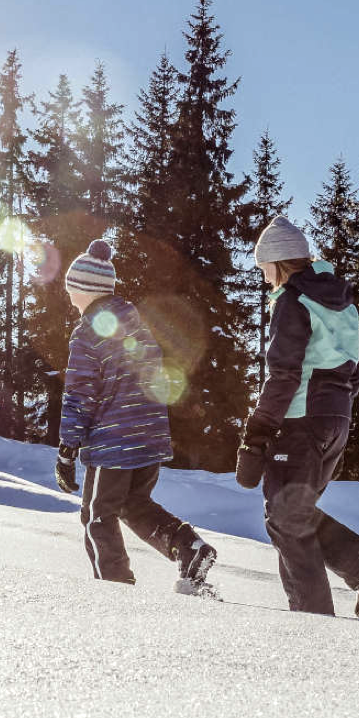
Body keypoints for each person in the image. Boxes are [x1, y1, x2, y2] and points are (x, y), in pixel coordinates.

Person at [235, 215, 359, 617]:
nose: (264, 277)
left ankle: (315, 622)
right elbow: (353, 370)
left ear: (279, 262)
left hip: (301, 419)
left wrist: (255, 434)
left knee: (286, 519)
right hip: (335, 419)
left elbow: (284, 374)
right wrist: (335, 412)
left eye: (264, 268)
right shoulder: (340, 303)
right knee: (292, 516)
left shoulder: (293, 300)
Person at [53, 239, 217, 593]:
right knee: (134, 504)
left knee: (97, 516)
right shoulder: (134, 323)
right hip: (149, 436)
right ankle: (189, 548)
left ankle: (116, 591)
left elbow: (80, 393)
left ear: (86, 290)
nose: (69, 297)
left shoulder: (87, 332)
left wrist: (67, 449)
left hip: (113, 442)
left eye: (72, 289)